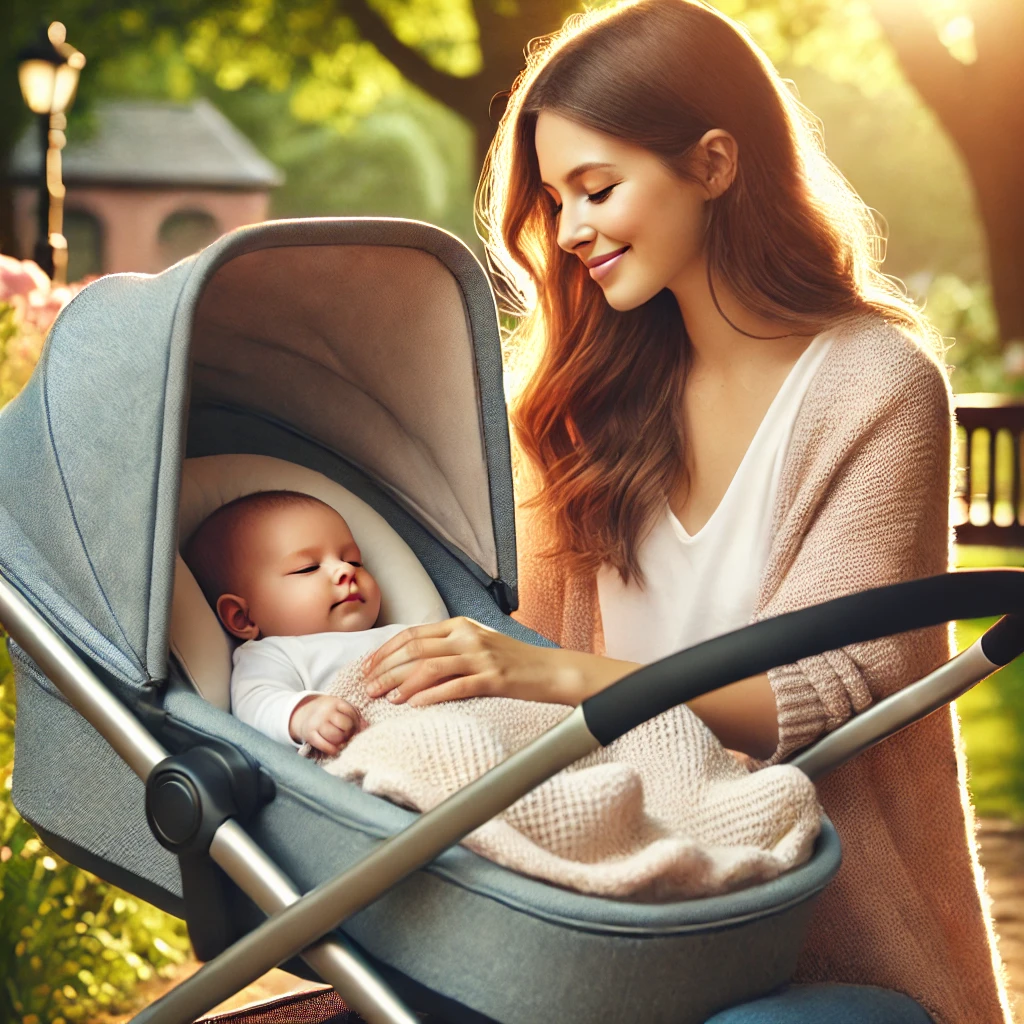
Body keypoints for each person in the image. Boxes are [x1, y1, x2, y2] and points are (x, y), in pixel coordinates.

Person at [360, 1, 1012, 1021]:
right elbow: (502, 641)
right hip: (592, 895)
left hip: (804, 915)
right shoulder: (578, 407)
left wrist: (568, 677)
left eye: (597, 188)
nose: (569, 231)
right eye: (553, 198)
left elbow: (839, 682)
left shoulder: (874, 384)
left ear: (712, 164)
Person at [182, 490, 408, 756]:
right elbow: (257, 703)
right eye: (308, 568)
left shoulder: (401, 634)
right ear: (243, 617)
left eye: (353, 561)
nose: (345, 570)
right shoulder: (273, 653)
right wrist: (304, 715)